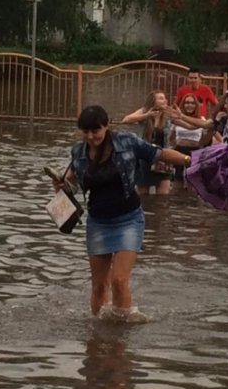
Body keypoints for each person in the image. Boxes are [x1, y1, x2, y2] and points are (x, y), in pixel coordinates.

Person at [53, 105, 192, 321]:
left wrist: (189, 161)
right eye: (85, 132)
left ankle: (122, 335)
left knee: (118, 280)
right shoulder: (78, 152)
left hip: (128, 220)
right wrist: (62, 186)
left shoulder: (127, 142)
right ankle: (99, 335)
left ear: (106, 126)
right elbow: (71, 182)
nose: (90, 137)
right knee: (99, 286)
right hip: (98, 222)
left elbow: (159, 154)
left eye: (95, 131)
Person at [166, 92, 228, 204]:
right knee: (223, 197)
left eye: (226, 104)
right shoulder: (226, 119)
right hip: (225, 163)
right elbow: (205, 124)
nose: (224, 106)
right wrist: (182, 116)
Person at [122, 90, 173, 195]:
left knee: (163, 197)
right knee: (143, 195)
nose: (165, 100)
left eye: (165, 98)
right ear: (153, 100)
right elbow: (126, 120)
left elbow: (184, 122)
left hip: (163, 157)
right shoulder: (144, 111)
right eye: (161, 98)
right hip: (145, 157)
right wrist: (147, 115)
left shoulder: (168, 114)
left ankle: (159, 211)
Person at [169, 94, 205, 190]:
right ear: (183, 105)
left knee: (192, 180)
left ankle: (190, 201)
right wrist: (174, 146)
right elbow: (171, 137)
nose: (190, 105)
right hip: (179, 149)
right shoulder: (177, 119)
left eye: (192, 103)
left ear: (196, 105)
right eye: (187, 103)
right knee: (177, 178)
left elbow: (207, 137)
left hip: (195, 151)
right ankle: (177, 201)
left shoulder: (201, 120)